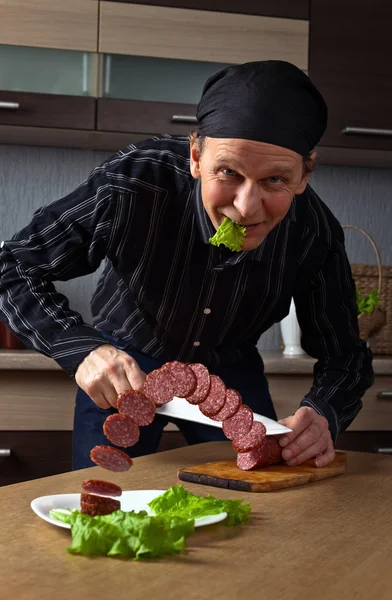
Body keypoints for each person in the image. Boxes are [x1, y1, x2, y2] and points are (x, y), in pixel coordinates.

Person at [0, 61, 373, 470]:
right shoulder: (134, 181)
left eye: (275, 181)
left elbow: (346, 356)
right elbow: (14, 266)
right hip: (126, 361)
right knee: (108, 502)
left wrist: (324, 411)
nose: (246, 208)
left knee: (259, 507)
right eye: (228, 172)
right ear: (196, 156)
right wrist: (84, 349)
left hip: (232, 372)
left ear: (304, 175)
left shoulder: (314, 234)